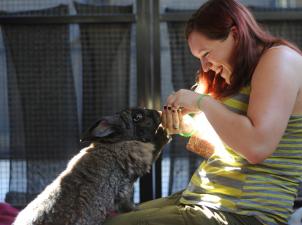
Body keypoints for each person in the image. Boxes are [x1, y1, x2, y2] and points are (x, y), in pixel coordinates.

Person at [104, 0, 302, 225]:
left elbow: (257, 148)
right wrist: (187, 128)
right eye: (199, 58)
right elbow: (224, 150)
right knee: (107, 215)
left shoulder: (280, 59)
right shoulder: (233, 74)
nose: (205, 66)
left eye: (206, 53)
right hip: (204, 198)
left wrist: (202, 102)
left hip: (244, 211)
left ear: (235, 34)